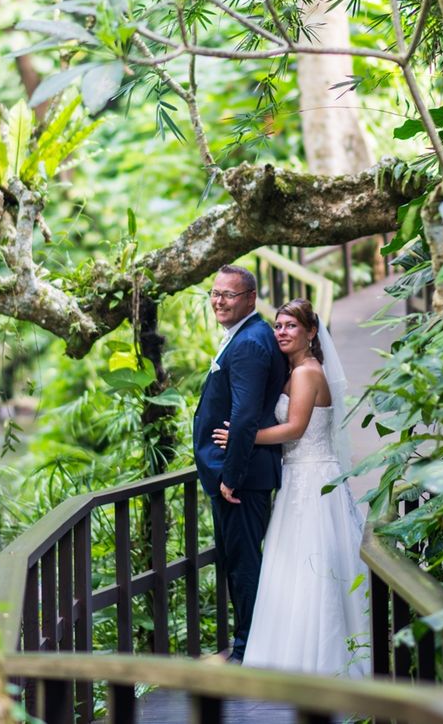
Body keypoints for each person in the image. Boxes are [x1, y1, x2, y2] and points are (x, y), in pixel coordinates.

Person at [213, 297, 367, 677]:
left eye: (291, 326)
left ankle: (320, 661)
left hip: (312, 479)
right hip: (298, 475)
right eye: (278, 325)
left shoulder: (305, 373)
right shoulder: (296, 370)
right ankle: (290, 654)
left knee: (311, 566)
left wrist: (242, 438)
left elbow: (295, 428)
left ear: (311, 332)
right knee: (291, 567)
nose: (281, 332)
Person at [193, 264, 286, 663]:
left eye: (228, 295)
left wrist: (230, 473)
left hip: (242, 477)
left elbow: (245, 415)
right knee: (239, 559)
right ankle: (250, 643)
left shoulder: (249, 341)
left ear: (249, 297)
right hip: (240, 473)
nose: (219, 301)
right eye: (215, 293)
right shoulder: (248, 335)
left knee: (243, 563)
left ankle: (248, 650)